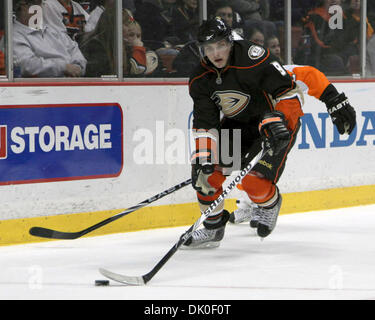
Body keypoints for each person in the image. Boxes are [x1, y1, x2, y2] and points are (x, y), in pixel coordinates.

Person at [183, 17, 356, 248]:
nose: (216, 54)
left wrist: (334, 100)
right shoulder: (200, 78)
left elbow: (305, 77)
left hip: (274, 122)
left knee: (254, 180)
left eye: (221, 45)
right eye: (209, 48)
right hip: (240, 123)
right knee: (205, 177)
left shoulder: (255, 59)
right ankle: (213, 227)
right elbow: (205, 122)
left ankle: (268, 204)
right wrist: (204, 157)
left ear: (231, 43)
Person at [230, 63, 357, 225]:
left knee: (260, 170)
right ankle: (247, 203)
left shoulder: (268, 72)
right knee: (243, 166)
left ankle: (261, 205)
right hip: (250, 124)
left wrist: (333, 99)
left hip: (278, 124)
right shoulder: (221, 85)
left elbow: (309, 74)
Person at [13, 0, 87, 78]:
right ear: (22, 7)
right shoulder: (14, 36)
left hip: (75, 82)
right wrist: (64, 67)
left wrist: (78, 66)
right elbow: (27, 65)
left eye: (40, 4)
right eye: (35, 4)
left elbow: (74, 48)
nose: (40, 8)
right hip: (45, 86)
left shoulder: (52, 29)